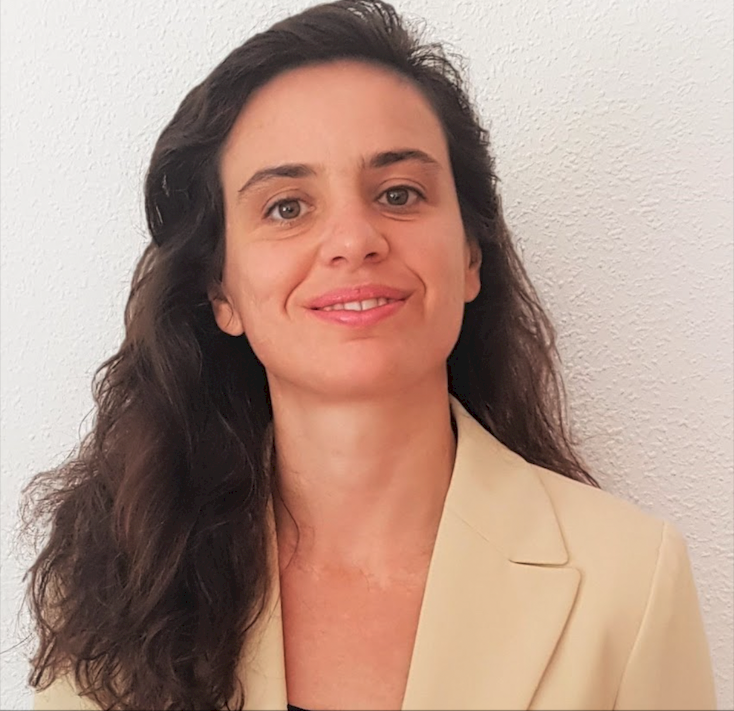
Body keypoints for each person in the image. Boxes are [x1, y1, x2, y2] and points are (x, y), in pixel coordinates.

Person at [23, 1, 715, 709]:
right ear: (220, 290)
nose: (354, 240)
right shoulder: (117, 580)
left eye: (399, 193)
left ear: (471, 256)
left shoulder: (630, 582)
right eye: (287, 207)